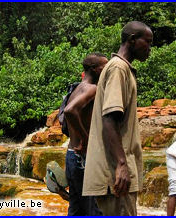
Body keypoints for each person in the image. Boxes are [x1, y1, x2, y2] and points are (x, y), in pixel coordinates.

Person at [82, 21, 153, 216]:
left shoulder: (120, 68)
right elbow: (110, 119)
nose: (150, 48)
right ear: (132, 40)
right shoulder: (118, 69)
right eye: (147, 42)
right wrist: (122, 165)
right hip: (115, 174)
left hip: (114, 173)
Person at [62, 53, 108, 216]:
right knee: (91, 209)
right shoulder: (92, 89)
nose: (107, 70)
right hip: (82, 156)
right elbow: (70, 111)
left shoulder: (76, 88)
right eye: (104, 67)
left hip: (71, 154)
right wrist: (85, 139)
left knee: (76, 208)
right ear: (94, 69)